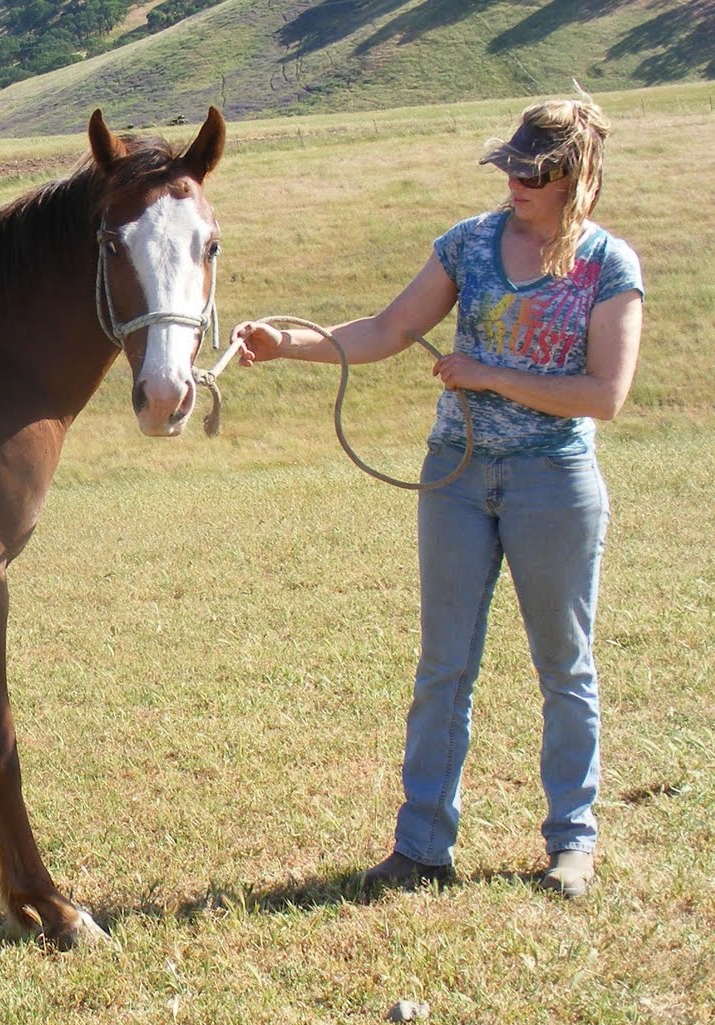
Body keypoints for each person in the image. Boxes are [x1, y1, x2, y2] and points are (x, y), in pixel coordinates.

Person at [230, 96, 644, 899]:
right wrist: (290, 345)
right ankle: (421, 845)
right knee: (443, 666)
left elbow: (605, 394)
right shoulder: (470, 243)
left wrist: (490, 374)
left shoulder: (607, 266)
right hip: (455, 475)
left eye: (532, 172)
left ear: (573, 178)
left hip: (552, 482)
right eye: (510, 167)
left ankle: (572, 841)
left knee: (563, 665)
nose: (515, 183)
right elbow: (385, 331)